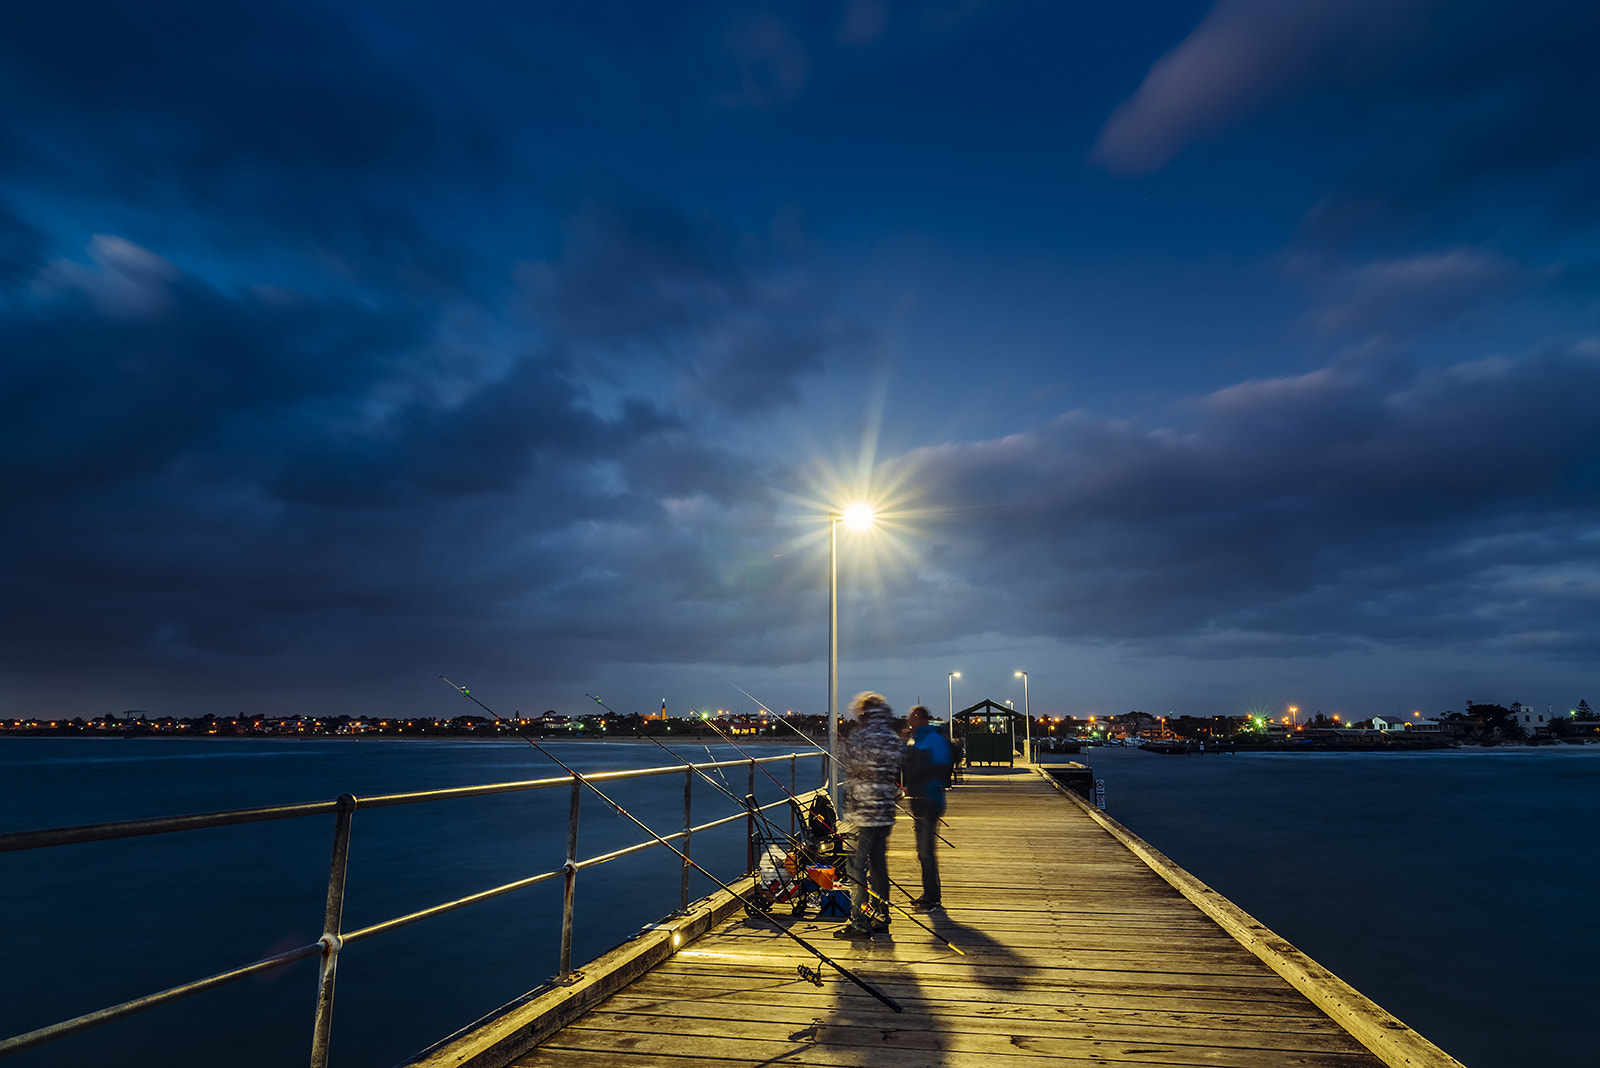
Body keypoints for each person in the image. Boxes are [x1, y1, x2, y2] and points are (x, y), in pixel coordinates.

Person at [833, 691, 901, 940]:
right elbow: (894, 770)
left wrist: (844, 750)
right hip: (885, 811)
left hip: (864, 814)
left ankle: (860, 923)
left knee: (855, 867)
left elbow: (850, 767)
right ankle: (882, 916)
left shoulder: (862, 737)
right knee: (879, 866)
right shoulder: (892, 738)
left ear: (864, 713)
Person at [902, 705, 953, 910]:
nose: (909, 720)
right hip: (919, 801)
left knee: (926, 852)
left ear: (921, 718)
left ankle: (932, 898)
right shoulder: (917, 739)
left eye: (912, 717)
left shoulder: (932, 739)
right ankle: (930, 893)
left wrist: (920, 779)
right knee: (923, 851)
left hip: (930, 801)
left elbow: (943, 767)